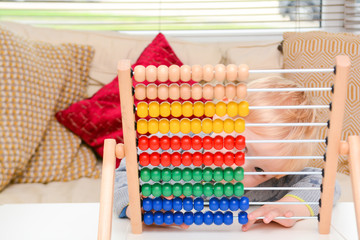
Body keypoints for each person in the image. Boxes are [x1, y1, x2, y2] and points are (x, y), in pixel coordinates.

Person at [113, 76, 341, 231]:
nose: (240, 168)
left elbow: (326, 183)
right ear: (221, 116)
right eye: (241, 147)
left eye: (259, 170)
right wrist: (138, 206)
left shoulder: (267, 186)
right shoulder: (175, 150)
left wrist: (289, 206)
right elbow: (128, 166)